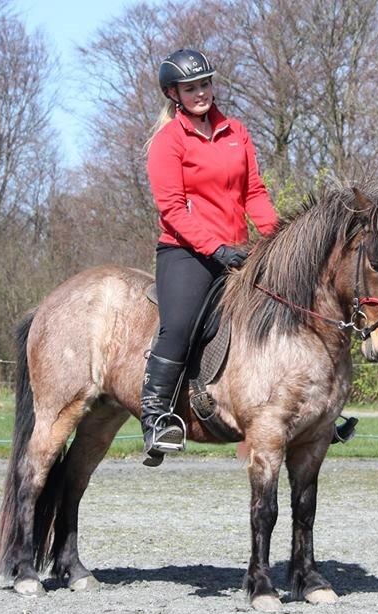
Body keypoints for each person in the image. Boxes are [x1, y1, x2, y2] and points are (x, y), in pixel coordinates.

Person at [141, 48, 279, 467]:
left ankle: (306, 410)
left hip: (239, 251)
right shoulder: (168, 142)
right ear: (174, 94)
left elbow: (253, 193)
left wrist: (279, 241)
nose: (200, 92)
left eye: (205, 84)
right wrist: (214, 248)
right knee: (179, 324)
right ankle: (156, 418)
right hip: (186, 253)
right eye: (190, 87)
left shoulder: (237, 131)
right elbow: (171, 209)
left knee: (290, 306)